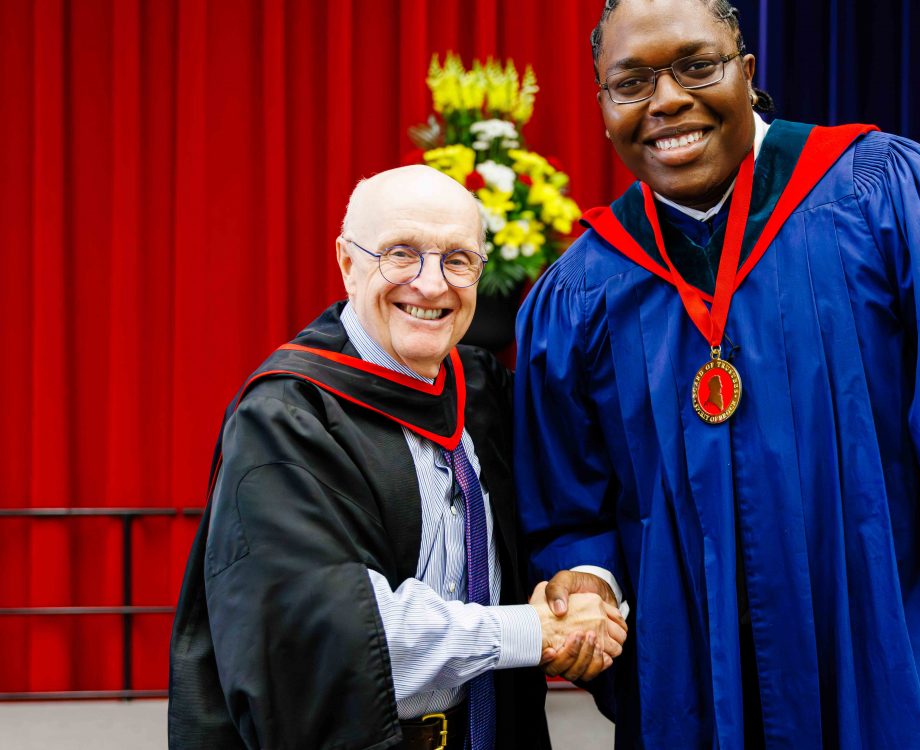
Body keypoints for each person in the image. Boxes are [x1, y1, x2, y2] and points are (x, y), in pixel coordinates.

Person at [514, 0, 920, 747]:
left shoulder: (889, 198)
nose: (667, 99)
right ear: (604, 104)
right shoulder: (580, 294)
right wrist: (588, 584)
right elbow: (570, 509)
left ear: (746, 74)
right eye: (631, 81)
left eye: (696, 66)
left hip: (896, 676)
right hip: (693, 701)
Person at [168, 165, 627, 750]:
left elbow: (575, 497)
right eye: (401, 254)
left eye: (457, 259)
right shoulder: (288, 421)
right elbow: (343, 634)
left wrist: (586, 583)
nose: (432, 285)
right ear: (347, 263)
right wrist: (531, 630)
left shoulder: (481, 389)